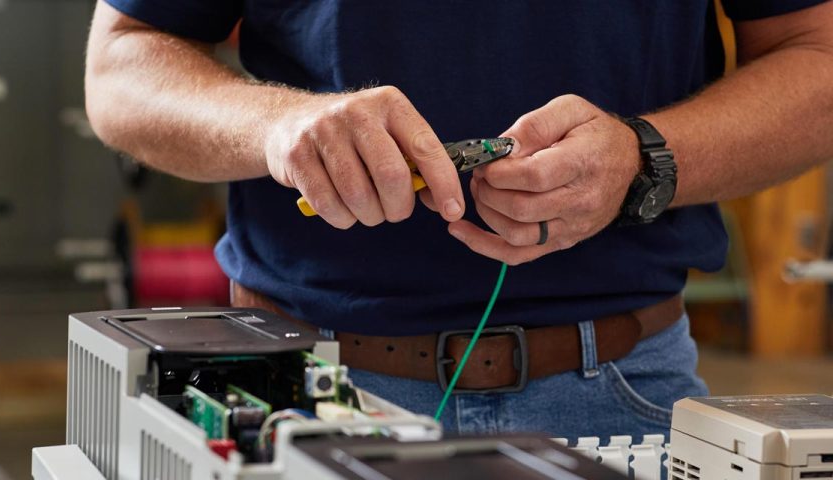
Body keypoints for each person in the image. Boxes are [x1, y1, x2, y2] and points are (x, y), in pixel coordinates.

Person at [84, 1, 833, 439]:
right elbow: (122, 66)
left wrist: (643, 158)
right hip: (306, 387)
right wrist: (278, 127)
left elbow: (818, 56)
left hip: (617, 390)